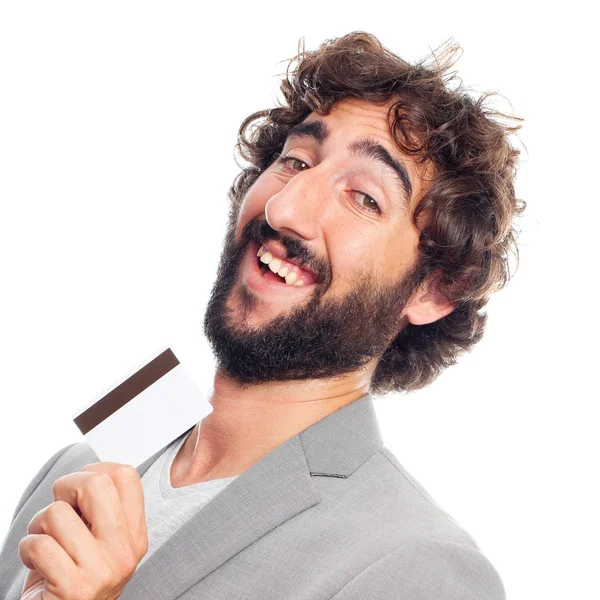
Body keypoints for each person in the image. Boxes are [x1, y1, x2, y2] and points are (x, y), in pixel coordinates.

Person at [0, 31, 525, 599]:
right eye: (295, 160)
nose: (284, 206)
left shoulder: (426, 568)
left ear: (432, 290)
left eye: (365, 197)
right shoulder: (87, 455)